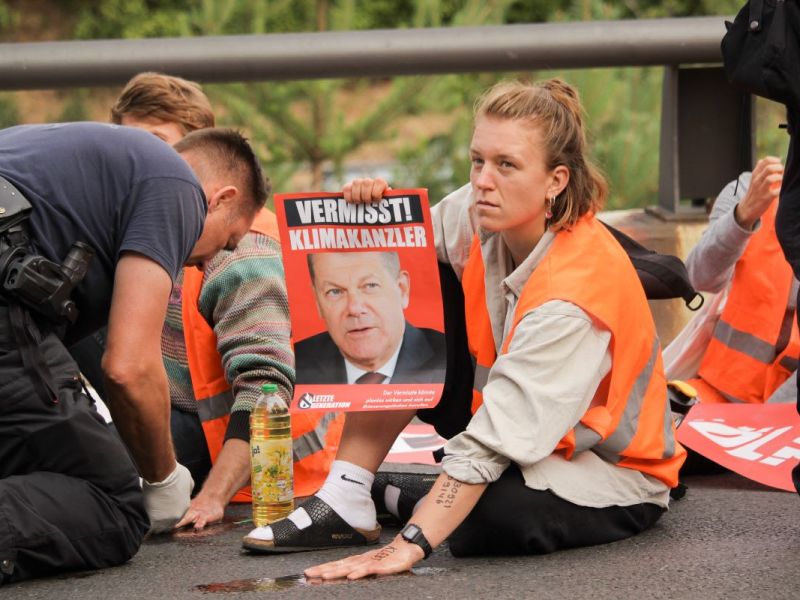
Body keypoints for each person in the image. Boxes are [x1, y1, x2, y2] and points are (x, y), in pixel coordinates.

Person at [242, 79, 685, 573]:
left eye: (507, 165)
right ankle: (347, 493)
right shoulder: (480, 212)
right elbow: (395, 255)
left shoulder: (574, 294)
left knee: (493, 517)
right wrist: (372, 214)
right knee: (410, 297)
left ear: (556, 180)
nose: (483, 181)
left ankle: (413, 497)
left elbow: (494, 440)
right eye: (478, 160)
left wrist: (404, 548)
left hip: (609, 468)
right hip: (510, 431)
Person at [70, 72, 343, 531]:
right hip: (176, 404)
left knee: (90, 468)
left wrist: (211, 498)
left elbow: (264, 388)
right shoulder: (146, 219)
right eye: (126, 144)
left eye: (155, 145)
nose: (135, 162)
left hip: (241, 444)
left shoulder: (241, 250)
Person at [0, 121, 266, 582]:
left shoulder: (74, 164)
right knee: (111, 504)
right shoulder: (176, 188)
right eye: (226, 241)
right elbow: (129, 367)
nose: (207, 262)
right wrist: (163, 477)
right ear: (219, 199)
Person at [669, 156, 798, 406]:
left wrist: (763, 425)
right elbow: (697, 276)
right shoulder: (752, 188)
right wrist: (744, 215)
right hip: (718, 393)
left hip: (787, 412)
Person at [294, 251, 446, 385]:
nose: (354, 308)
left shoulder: (447, 355)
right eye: (334, 292)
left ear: (402, 289)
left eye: (370, 286)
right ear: (318, 302)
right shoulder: (295, 362)